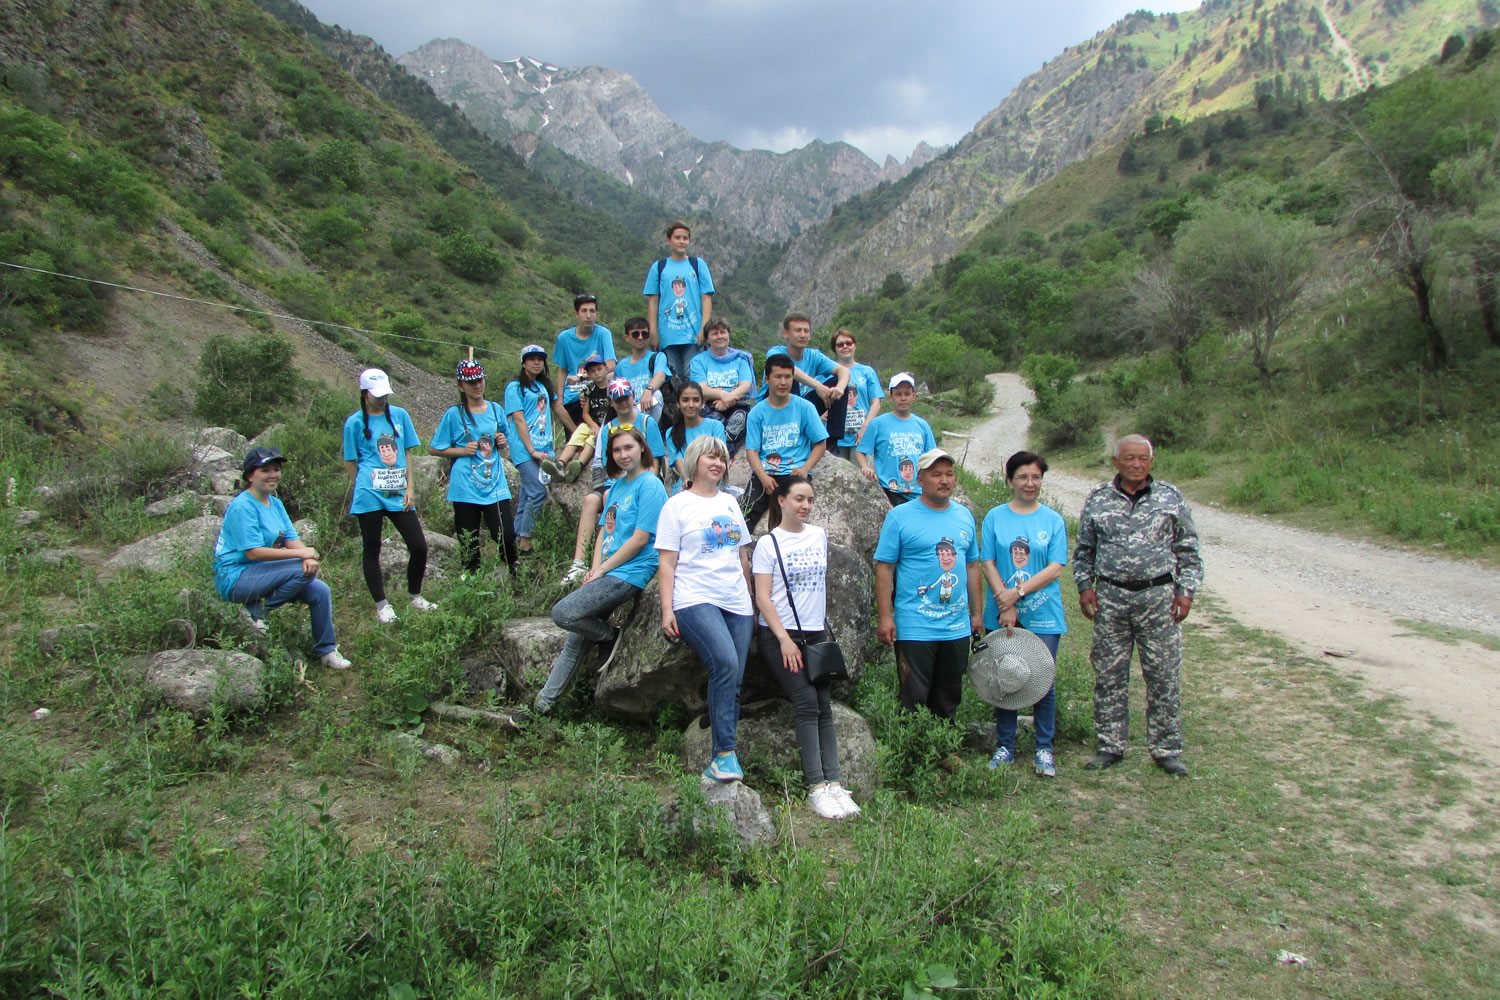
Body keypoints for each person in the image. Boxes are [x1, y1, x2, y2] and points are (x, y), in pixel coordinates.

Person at [511, 428, 668, 724]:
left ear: (642, 449)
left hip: (631, 571)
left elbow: (639, 539)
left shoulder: (650, 485)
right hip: (608, 571)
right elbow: (603, 533)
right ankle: (542, 707)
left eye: (628, 448)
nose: (623, 455)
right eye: (617, 450)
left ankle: (608, 634)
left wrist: (604, 570)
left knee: (564, 612)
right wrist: (593, 569)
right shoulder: (617, 487)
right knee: (574, 639)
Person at [1074, 434, 1203, 777]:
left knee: (1163, 674)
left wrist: (1185, 591)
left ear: (1151, 461)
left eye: (1142, 458)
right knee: (1109, 673)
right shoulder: (1099, 498)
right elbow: (1084, 549)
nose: (1135, 464)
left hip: (1158, 598)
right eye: (1128, 458)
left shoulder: (1169, 497)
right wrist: (1085, 587)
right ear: (1115, 462)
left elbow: (1188, 550)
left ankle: (1166, 749)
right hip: (1111, 600)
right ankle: (1110, 745)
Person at [751, 476, 859, 819]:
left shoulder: (818, 535)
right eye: (799, 498)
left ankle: (836, 785)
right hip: (780, 635)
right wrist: (784, 639)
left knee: (824, 706)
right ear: (781, 500)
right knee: (806, 703)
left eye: (810, 500)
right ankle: (816, 787)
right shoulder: (768, 544)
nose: (805, 505)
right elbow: (762, 598)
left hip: (814, 634)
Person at [656, 435, 755, 782]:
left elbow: (742, 555)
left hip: (737, 601)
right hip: (695, 598)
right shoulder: (677, 505)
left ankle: (721, 763)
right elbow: (667, 563)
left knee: (734, 677)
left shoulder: (730, 503)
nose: (717, 463)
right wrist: (666, 609)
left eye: (722, 458)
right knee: (725, 663)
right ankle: (724, 756)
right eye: (710, 457)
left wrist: (752, 601)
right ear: (694, 461)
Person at [213, 447, 350, 670]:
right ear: (250, 475)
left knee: (320, 590)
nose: (273, 474)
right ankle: (256, 612)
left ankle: (326, 650)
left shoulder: (275, 503)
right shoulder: (242, 506)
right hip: (236, 577)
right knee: (300, 569)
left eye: (276, 469)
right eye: (264, 470)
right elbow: (253, 552)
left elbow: (291, 538)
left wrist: (307, 557)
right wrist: (301, 555)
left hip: (265, 573)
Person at [874, 448, 982, 720]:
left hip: (956, 626)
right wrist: (886, 616)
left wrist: (977, 614)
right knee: (914, 697)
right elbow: (885, 568)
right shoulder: (900, 516)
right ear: (920, 480)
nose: (944, 480)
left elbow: (971, 566)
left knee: (949, 694)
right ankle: (912, 755)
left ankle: (943, 752)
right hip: (915, 626)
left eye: (949, 474)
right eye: (936, 475)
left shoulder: (964, 516)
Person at [979, 451, 1068, 777]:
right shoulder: (994, 517)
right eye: (1022, 477)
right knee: (1005, 677)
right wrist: (1005, 602)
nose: (1030, 483)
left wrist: (1015, 594)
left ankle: (1044, 748)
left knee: (1043, 679)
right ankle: (1005, 745)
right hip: (1001, 612)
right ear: (1009, 480)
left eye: (1035, 477)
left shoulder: (1053, 520)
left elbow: (1055, 568)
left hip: (1044, 612)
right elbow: (987, 561)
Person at [343, 368, 436, 623]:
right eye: (377, 395)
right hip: (369, 494)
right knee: (372, 547)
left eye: (385, 394)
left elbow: (407, 452)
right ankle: (382, 605)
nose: (383, 399)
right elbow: (350, 460)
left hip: (397, 491)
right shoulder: (354, 423)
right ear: (364, 394)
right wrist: (361, 486)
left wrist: (410, 487)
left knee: (418, 545)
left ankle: (415, 595)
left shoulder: (400, 415)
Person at [562, 378, 668, 585]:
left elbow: (655, 462)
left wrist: (634, 484)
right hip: (617, 480)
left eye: (626, 397)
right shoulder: (608, 428)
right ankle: (579, 562)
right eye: (617, 399)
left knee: (612, 497)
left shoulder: (647, 422)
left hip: (644, 478)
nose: (623, 402)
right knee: (592, 500)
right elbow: (612, 464)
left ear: (633, 397)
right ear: (611, 402)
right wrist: (621, 484)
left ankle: (615, 556)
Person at [429, 359, 518, 577]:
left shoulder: (496, 410)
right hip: (465, 485)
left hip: (494, 482)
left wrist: (502, 442)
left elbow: (505, 441)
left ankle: (513, 576)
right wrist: (460, 451)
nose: (477, 386)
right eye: (471, 382)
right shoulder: (454, 414)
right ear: (461, 386)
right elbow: (435, 448)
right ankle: (472, 583)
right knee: (469, 540)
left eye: (479, 380)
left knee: (506, 534)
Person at [744, 353, 828, 532]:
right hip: (767, 472)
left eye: (788, 376)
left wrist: (805, 469)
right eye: (778, 376)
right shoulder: (757, 413)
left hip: (794, 471)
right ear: (767, 379)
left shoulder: (805, 408)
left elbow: (820, 443)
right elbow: (751, 451)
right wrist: (763, 477)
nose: (783, 382)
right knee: (745, 515)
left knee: (790, 516)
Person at [504, 344, 576, 555]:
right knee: (537, 492)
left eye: (540, 358)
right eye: (531, 358)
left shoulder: (543, 386)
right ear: (523, 362)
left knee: (527, 494)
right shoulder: (515, 387)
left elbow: (558, 409)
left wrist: (577, 430)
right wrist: (531, 450)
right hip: (524, 449)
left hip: (543, 448)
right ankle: (526, 542)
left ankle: (514, 540)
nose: (537, 362)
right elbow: (518, 420)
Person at [643, 221, 714, 376]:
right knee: (672, 378)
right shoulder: (659, 267)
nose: (682, 241)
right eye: (677, 237)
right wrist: (653, 332)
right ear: (669, 240)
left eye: (685, 238)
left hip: (693, 335)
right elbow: (653, 301)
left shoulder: (697, 264)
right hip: (668, 335)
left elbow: (706, 298)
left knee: (693, 377)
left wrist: (704, 328)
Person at [760, 313, 849, 436]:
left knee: (837, 383)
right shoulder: (775, 352)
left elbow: (844, 371)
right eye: (798, 330)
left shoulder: (813, 356)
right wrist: (818, 386)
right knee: (790, 379)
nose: (802, 335)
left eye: (806, 331)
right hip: (772, 406)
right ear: (786, 333)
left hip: (801, 406)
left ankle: (832, 441)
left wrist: (839, 388)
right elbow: (790, 369)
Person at [857, 372, 936, 507]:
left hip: (918, 490)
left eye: (907, 394)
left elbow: (932, 457)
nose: (903, 398)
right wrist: (865, 467)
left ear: (913, 396)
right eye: (898, 394)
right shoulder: (877, 424)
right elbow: (860, 451)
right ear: (891, 397)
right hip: (889, 490)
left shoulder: (922, 425)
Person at [689, 319, 755, 456]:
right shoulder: (698, 361)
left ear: (728, 334)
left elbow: (746, 385)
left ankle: (722, 457)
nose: (720, 336)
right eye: (715, 333)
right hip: (710, 405)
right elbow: (700, 389)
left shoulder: (741, 359)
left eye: (723, 332)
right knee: (713, 426)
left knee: (736, 425)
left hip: (737, 404)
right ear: (707, 338)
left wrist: (728, 399)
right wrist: (723, 396)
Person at [543, 353, 611, 483]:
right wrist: (593, 425)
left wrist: (600, 428)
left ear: (606, 369)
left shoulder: (612, 388)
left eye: (599, 369)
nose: (596, 373)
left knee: (592, 440)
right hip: (593, 423)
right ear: (588, 374)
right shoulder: (588, 390)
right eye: (592, 371)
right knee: (578, 432)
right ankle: (560, 464)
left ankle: (578, 465)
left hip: (608, 425)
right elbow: (585, 414)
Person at [552, 294, 616, 426]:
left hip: (598, 393)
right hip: (573, 395)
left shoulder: (603, 334)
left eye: (592, 311)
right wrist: (560, 398)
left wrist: (581, 377)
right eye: (584, 311)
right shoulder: (564, 338)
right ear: (576, 314)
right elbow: (562, 370)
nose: (588, 315)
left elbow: (610, 365)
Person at [830, 328, 883, 461]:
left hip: (861, 435)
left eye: (849, 343)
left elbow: (876, 402)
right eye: (840, 344)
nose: (845, 347)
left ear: (854, 345)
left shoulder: (867, 371)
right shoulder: (828, 372)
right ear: (834, 348)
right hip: (836, 437)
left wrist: (866, 427)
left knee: (862, 477)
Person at [665, 381, 727, 494]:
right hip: (686, 484)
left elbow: (720, 456)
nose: (691, 404)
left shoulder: (715, 426)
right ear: (678, 403)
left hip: (714, 481)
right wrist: (688, 480)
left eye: (696, 400)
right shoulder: (671, 432)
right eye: (685, 400)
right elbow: (679, 460)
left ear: (702, 403)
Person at [614, 315, 672, 423]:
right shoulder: (621, 366)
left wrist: (648, 390)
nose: (640, 337)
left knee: (657, 394)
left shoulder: (657, 357)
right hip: (629, 410)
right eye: (636, 334)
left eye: (644, 334)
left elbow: (660, 376)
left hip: (650, 408)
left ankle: (648, 429)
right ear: (627, 337)